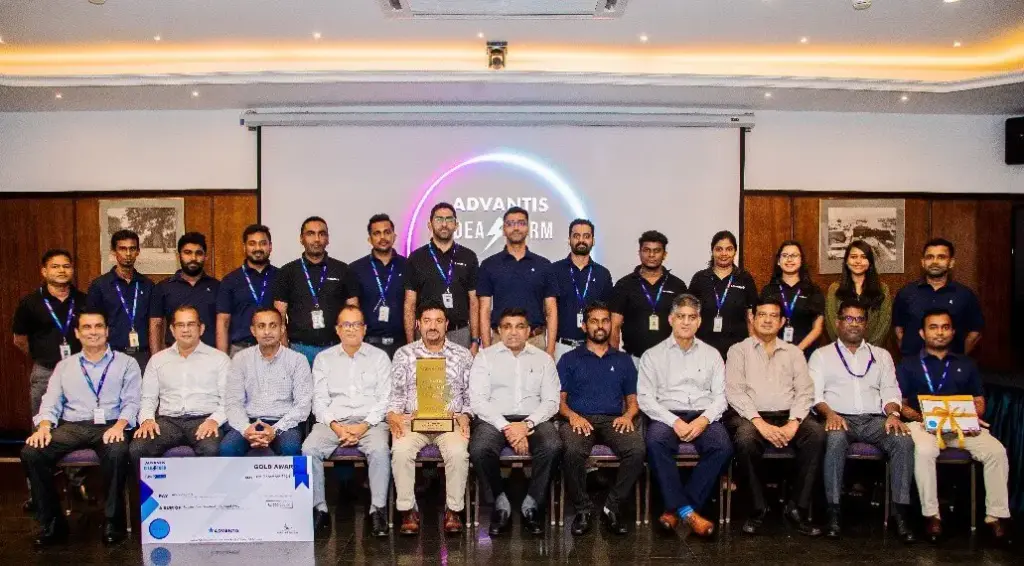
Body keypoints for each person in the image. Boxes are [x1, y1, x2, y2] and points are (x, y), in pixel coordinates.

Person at [21, 309, 141, 547]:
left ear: (107, 331)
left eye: (98, 326)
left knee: (117, 451)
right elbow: (51, 401)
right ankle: (52, 523)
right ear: (77, 333)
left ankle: (113, 522)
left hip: (110, 425)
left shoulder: (126, 363)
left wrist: (120, 426)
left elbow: (132, 402)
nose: (93, 332)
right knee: (32, 453)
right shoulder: (64, 366)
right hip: (72, 426)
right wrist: (44, 427)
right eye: (87, 327)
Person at [897, 309, 1010, 544]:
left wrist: (971, 416)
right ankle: (932, 516)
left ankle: (995, 517)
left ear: (953, 331)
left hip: (961, 426)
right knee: (924, 451)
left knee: (996, 451)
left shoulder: (967, 364)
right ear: (922, 333)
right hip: (923, 425)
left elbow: (979, 401)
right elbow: (901, 405)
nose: (940, 332)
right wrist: (923, 419)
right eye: (933, 327)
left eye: (945, 327)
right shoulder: (908, 365)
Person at [810, 300, 915, 543]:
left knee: (903, 440)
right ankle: (833, 512)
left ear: (866, 325)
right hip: (839, 419)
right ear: (838, 323)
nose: (854, 324)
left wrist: (893, 414)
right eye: (849, 318)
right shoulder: (822, 356)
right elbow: (814, 396)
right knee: (835, 440)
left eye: (859, 319)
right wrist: (830, 414)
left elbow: (890, 390)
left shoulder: (882, 355)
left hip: (875, 420)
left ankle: (900, 513)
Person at [725, 297, 824, 537]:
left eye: (773, 316)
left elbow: (805, 391)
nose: (767, 320)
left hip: (788, 415)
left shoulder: (794, 353)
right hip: (750, 416)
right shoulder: (738, 351)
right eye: (762, 315)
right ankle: (757, 509)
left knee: (816, 435)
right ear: (752, 318)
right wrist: (759, 422)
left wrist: (794, 422)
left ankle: (797, 508)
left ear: (782, 322)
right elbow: (734, 392)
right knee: (745, 438)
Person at [638, 294, 732, 537]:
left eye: (692, 317)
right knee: (655, 441)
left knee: (722, 446)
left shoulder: (712, 355)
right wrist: (674, 421)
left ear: (699, 321)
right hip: (666, 414)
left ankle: (677, 509)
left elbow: (721, 396)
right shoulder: (652, 355)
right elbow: (645, 399)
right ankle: (689, 513)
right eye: (681, 316)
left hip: (703, 413)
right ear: (671, 319)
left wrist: (703, 420)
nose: (686, 322)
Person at [469, 308, 562, 536]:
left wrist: (526, 425)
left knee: (553, 446)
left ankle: (532, 503)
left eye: (520, 326)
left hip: (534, 419)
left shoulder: (543, 359)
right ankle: (500, 503)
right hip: (494, 419)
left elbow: (552, 401)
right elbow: (478, 401)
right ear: (498, 331)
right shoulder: (485, 357)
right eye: (507, 327)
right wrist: (508, 428)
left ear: (529, 331)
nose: (513, 332)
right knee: (480, 448)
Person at [301, 305, 392, 537]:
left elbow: (385, 399)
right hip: (333, 423)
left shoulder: (379, 358)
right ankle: (319, 510)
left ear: (365, 329)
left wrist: (363, 426)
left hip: (370, 423)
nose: (351, 329)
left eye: (356, 324)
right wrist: (336, 427)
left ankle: (378, 510)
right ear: (337, 329)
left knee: (380, 449)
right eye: (346, 325)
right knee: (309, 449)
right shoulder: (323, 359)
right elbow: (319, 401)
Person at [557, 301, 645, 536]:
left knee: (636, 449)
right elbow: (559, 402)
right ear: (584, 326)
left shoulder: (623, 360)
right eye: (594, 321)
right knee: (572, 450)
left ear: (611, 325)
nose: (600, 326)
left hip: (613, 420)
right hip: (579, 419)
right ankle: (583, 509)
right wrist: (572, 416)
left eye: (605, 321)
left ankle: (611, 507)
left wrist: (628, 415)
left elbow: (633, 401)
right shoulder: (569, 359)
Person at [387, 300, 473, 535]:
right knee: (400, 450)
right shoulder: (404, 354)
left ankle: (453, 510)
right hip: (413, 421)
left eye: (438, 321)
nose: (432, 326)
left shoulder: (462, 355)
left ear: (447, 324)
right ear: (418, 324)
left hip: (450, 421)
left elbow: (470, 396)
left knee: (458, 452)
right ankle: (408, 510)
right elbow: (396, 396)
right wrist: (394, 416)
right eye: (427, 321)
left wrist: (465, 416)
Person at [13, 249, 90, 509]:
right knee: (41, 431)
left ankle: (77, 483)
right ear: (44, 271)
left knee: (77, 427)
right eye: (55, 266)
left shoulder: (83, 301)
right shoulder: (30, 303)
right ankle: (37, 493)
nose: (61, 270)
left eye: (66, 266)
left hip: (79, 375)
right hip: (45, 372)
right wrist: (43, 358)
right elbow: (20, 340)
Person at [130, 305, 230, 463]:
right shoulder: (158, 360)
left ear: (201, 328)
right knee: (138, 448)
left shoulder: (219, 359)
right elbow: (147, 399)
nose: (186, 330)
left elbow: (228, 400)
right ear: (172, 329)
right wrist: (147, 420)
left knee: (211, 449)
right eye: (180, 325)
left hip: (204, 420)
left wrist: (214, 420)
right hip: (167, 422)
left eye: (191, 324)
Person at [220, 307, 312, 457]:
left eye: (273, 326)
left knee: (290, 448)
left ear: (282, 329)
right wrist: (246, 429)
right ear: (253, 331)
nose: (267, 332)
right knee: (228, 449)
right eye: (261, 326)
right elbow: (233, 402)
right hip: (249, 421)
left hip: (285, 423)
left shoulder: (297, 360)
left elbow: (303, 405)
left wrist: (275, 429)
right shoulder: (240, 359)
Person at [273, 216, 360, 366]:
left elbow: (354, 311)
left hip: (335, 348)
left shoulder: (343, 270)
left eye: (322, 234)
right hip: (298, 349)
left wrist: (350, 347)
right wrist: (285, 351)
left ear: (328, 239)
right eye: (310, 234)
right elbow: (279, 315)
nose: (317, 239)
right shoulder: (287, 272)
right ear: (301, 239)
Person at [478, 207, 557, 356]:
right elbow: (484, 310)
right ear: (503, 229)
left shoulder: (544, 265)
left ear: (528, 228)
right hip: (500, 341)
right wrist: (487, 349)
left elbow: (551, 310)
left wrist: (551, 349)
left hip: (535, 341)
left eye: (521, 223)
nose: (516, 228)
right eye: (510, 224)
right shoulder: (489, 265)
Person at [404, 202, 481, 351]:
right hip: (426, 335)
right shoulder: (416, 258)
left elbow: (474, 302)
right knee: (426, 369)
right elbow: (409, 304)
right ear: (430, 224)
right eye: (439, 219)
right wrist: (410, 344)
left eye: (449, 219)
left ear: (456, 225)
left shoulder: (468, 257)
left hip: (460, 334)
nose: (444, 224)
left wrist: (475, 340)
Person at [894, 238, 983, 357]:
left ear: (951, 262)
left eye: (941, 257)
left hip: (951, 365)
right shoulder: (906, 293)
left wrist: (958, 359)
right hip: (913, 365)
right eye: (930, 257)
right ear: (923, 262)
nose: (935, 262)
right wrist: (909, 358)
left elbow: (975, 332)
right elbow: (898, 331)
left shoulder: (965, 295)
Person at [610, 231, 688, 362]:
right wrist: (614, 361)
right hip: (634, 360)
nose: (651, 255)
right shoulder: (624, 285)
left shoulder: (677, 286)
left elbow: (685, 325)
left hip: (670, 360)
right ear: (639, 252)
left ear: (664, 254)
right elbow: (614, 327)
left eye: (657, 250)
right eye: (646, 250)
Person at [87, 229, 155, 370]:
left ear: (138, 251)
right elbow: (92, 324)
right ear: (114, 251)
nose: (128, 254)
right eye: (123, 249)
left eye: (132, 249)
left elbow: (154, 323)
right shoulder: (100, 285)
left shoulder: (147, 285)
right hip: (111, 354)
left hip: (142, 355)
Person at [688, 230, 758, 360]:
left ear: (735, 251)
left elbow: (751, 317)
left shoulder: (745, 278)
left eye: (729, 249)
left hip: (738, 351)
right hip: (704, 350)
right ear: (712, 251)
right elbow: (689, 315)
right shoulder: (700, 278)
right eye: (719, 249)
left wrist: (753, 348)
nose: (724, 254)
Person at [550, 219, 614, 361]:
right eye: (576, 236)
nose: (581, 240)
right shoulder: (554, 271)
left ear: (593, 240)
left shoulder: (603, 274)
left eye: (586, 236)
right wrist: (551, 349)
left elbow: (609, 315)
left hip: (594, 348)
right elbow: (549, 311)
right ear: (569, 240)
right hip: (561, 347)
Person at [149, 232, 220, 352]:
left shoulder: (217, 287)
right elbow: (155, 325)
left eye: (198, 253)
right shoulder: (163, 288)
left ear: (205, 257)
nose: (193, 258)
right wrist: (155, 359)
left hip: (209, 356)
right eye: (188, 252)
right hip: (175, 357)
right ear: (178, 256)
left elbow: (223, 324)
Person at [350, 213, 407, 359]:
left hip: (401, 346)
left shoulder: (407, 266)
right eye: (377, 233)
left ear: (394, 236)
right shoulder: (356, 269)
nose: (383, 237)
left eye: (387, 232)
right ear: (370, 239)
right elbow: (352, 309)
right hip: (367, 346)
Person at [216, 224, 278, 357]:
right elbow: (223, 321)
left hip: (274, 348)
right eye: (252, 243)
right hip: (240, 349)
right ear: (244, 247)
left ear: (270, 246)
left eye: (263, 243)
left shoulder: (281, 277)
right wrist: (222, 358)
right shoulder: (230, 280)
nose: (258, 248)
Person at [760, 240, 825, 357]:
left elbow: (817, 328)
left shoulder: (813, 290)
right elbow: (761, 325)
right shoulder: (768, 291)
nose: (789, 259)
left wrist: (797, 350)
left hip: (805, 354)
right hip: (774, 354)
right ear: (778, 261)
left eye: (794, 255)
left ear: (801, 260)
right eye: (785, 255)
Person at [824, 240, 892, 346]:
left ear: (870, 262)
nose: (858, 261)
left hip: (872, 351)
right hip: (841, 351)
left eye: (863, 257)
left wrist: (868, 349)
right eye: (853, 257)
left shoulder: (883, 289)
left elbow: (884, 325)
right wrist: (845, 348)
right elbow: (831, 323)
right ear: (846, 261)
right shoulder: (834, 289)